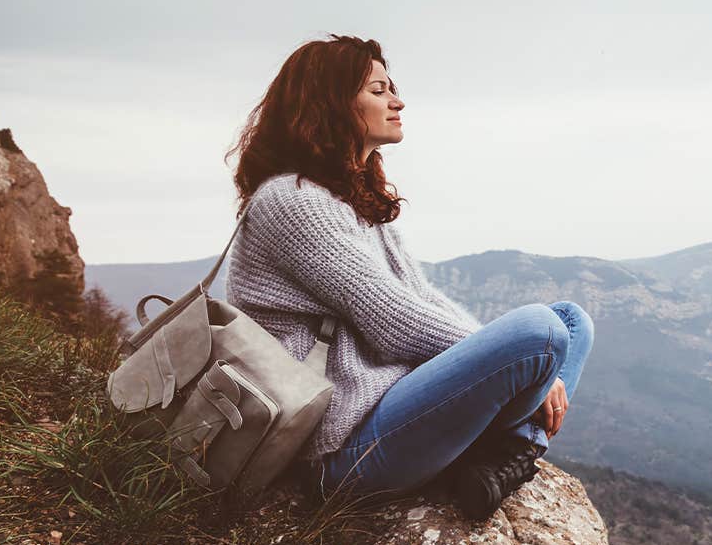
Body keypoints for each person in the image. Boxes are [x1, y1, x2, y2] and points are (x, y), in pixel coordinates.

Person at [222, 33, 594, 520]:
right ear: (330, 104)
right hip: (337, 449)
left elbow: (422, 299)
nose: (397, 101)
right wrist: (534, 364)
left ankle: (499, 456)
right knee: (541, 333)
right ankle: (509, 449)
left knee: (570, 320)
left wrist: (518, 358)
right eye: (377, 91)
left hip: (387, 413)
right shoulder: (293, 202)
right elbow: (396, 321)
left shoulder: (349, 199)